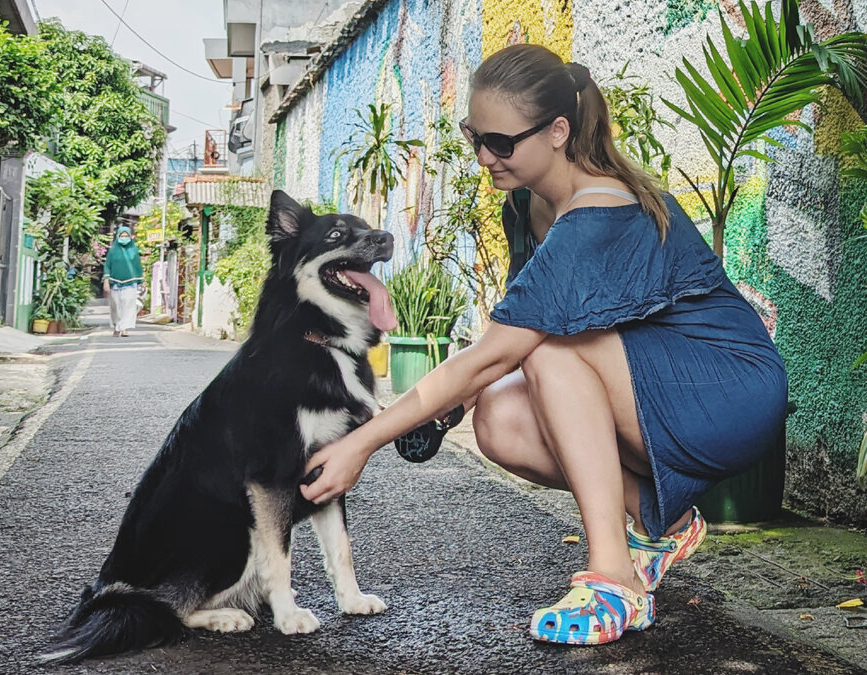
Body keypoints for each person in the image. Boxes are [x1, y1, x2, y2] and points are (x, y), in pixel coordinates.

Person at [300, 44, 788, 646]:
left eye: (501, 143)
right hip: (654, 380)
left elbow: (500, 351)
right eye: (474, 137)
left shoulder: (599, 211)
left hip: (727, 387)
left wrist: (361, 443)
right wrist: (453, 403)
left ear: (558, 131)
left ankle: (615, 579)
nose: (484, 157)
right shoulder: (528, 203)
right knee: (499, 418)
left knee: (548, 349)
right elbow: (502, 345)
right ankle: (661, 520)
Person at [102, 225, 145, 337]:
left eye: (126, 236)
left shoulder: (134, 250)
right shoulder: (112, 251)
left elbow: (138, 267)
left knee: (128, 306)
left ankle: (124, 328)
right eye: (122, 236)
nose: (124, 238)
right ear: (118, 236)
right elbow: (107, 266)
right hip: (114, 283)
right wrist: (106, 280)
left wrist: (142, 281)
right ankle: (117, 326)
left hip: (130, 283)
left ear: (130, 237)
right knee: (115, 306)